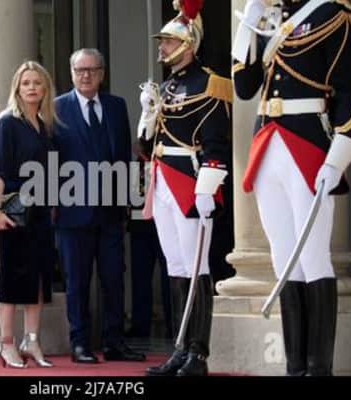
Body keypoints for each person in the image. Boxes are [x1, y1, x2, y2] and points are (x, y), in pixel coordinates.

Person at [232, 0, 351, 376]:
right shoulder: (271, 16)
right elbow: (245, 87)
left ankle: (319, 369)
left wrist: (337, 159)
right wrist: (248, 26)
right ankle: (295, 368)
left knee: (314, 257)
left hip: (308, 146)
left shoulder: (331, 13)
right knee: (283, 258)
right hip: (268, 144)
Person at [141, 0, 232, 376]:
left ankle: (198, 352)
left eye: (168, 41)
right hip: (162, 179)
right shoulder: (167, 86)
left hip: (191, 182)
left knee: (197, 268)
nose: (162, 47)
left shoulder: (210, 83)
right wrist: (147, 116)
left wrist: (207, 189)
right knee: (176, 267)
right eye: (162, 41)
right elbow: (148, 146)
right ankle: (179, 346)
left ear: (188, 45)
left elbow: (216, 144)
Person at [53, 48, 145, 363]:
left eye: (92, 70)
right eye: (80, 70)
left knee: (114, 279)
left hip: (111, 210)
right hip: (72, 210)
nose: (86, 75)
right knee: (77, 281)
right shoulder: (57, 108)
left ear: (102, 74)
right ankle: (80, 343)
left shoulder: (117, 106)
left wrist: (129, 200)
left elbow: (124, 156)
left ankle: (114, 343)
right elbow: (50, 157)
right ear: (71, 73)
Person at [0, 61, 56, 369]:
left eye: (37, 83)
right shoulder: (7, 122)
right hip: (15, 211)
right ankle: (6, 343)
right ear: (17, 87)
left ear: (45, 89)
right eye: (26, 82)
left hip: (41, 211)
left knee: (38, 278)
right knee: (12, 278)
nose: (31, 87)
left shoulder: (44, 125)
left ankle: (31, 340)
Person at [127, 138, 172, 339]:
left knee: (169, 276)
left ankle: (173, 324)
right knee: (140, 278)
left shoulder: (163, 163)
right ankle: (140, 325)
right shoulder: (136, 166)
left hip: (162, 224)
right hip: (140, 227)